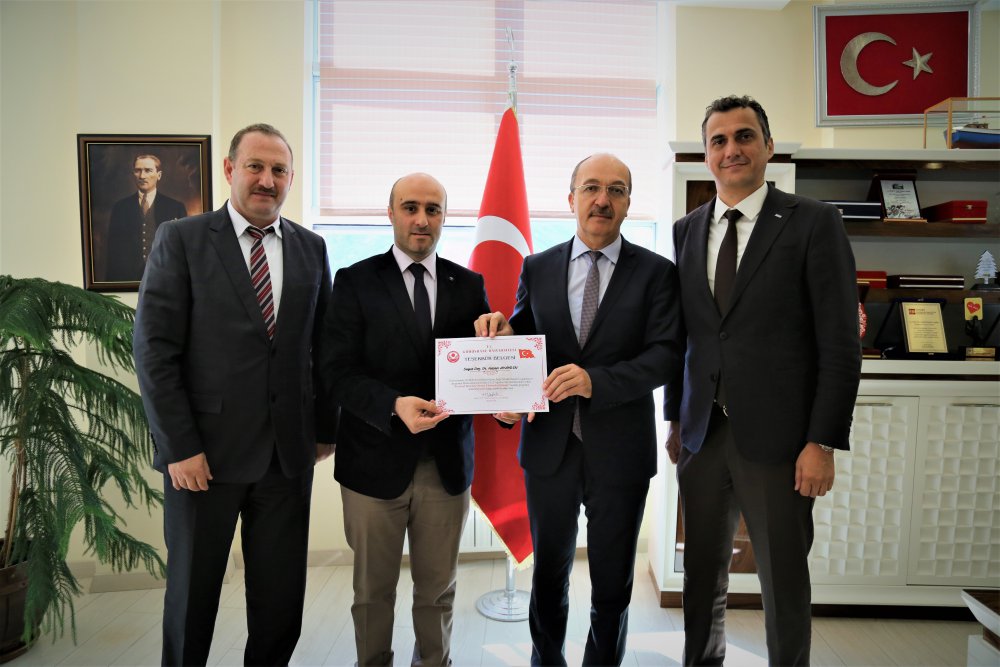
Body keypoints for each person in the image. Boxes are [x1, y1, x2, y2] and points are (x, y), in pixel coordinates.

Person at [664, 95, 861, 666]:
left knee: (782, 578)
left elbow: (839, 344)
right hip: (702, 437)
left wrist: (822, 442)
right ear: (706, 155)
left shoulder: (814, 222)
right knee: (701, 573)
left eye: (744, 136)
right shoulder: (685, 230)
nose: (732, 149)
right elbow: (685, 336)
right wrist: (675, 419)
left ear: (768, 146)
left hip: (782, 443)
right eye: (719, 140)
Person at [133, 123, 336, 666]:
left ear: (291, 177)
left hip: (286, 460)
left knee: (279, 602)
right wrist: (179, 447)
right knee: (192, 599)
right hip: (203, 459)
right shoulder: (182, 239)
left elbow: (322, 347)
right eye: (255, 166)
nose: (267, 180)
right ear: (229, 169)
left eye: (279, 170)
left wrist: (324, 428)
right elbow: (154, 352)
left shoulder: (312, 248)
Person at [475, 153, 682, 666]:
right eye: (591, 188)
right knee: (548, 577)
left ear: (628, 204)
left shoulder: (657, 273)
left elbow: (665, 355)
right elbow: (527, 337)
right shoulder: (538, 266)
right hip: (549, 450)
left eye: (616, 190)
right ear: (571, 199)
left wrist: (596, 382)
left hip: (621, 452)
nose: (602, 200)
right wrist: (504, 342)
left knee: (612, 585)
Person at [321, 173, 490, 667]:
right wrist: (393, 404)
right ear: (391, 212)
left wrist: (504, 390)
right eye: (410, 207)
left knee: (438, 591)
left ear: (444, 217)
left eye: (433, 209)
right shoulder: (354, 281)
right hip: (372, 464)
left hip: (445, 466)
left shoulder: (469, 285)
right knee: (372, 593)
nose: (421, 219)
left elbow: (483, 370)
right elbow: (335, 372)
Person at [106, 154, 188, 282]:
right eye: (137, 170)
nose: (142, 176)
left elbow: (184, 251)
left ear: (159, 175)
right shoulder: (120, 208)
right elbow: (112, 253)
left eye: (148, 170)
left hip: (166, 278)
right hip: (127, 279)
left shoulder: (175, 207)